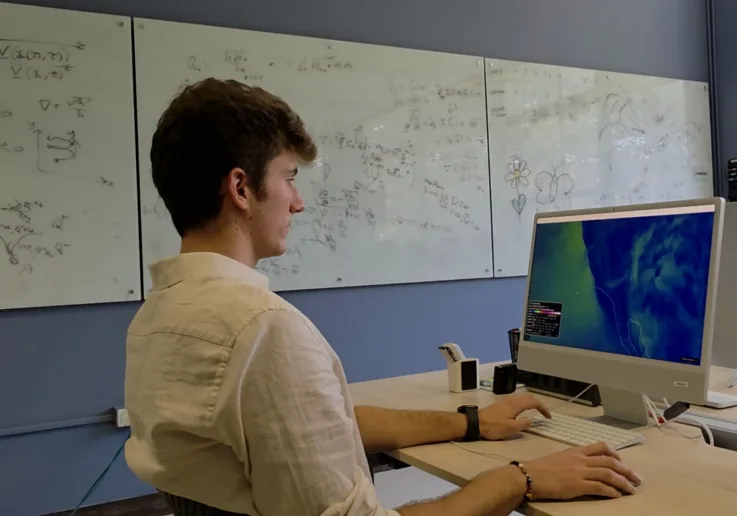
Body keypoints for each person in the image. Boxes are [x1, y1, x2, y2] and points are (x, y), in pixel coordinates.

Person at [124, 78, 642, 516]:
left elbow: (323, 424)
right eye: (288, 178)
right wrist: (520, 479)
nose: (298, 203)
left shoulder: (158, 316)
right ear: (240, 189)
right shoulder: (262, 329)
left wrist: (471, 422)